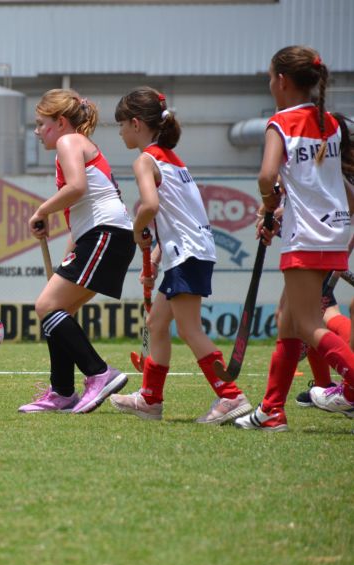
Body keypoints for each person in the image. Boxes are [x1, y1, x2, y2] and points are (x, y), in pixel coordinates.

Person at [107, 87, 252, 423]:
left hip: (187, 254)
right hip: (189, 252)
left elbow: (150, 207)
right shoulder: (173, 160)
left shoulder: (145, 160)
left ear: (135, 124)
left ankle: (230, 396)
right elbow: (178, 217)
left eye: (120, 125)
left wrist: (137, 228)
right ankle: (150, 399)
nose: (119, 132)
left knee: (189, 330)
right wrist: (157, 255)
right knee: (156, 323)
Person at [234, 46, 354, 431]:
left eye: (270, 77)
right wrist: (280, 212)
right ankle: (272, 410)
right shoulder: (332, 124)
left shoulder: (281, 122)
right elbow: (335, 189)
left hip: (309, 236)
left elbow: (266, 176)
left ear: (281, 81)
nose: (270, 84)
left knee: (306, 323)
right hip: (334, 230)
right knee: (288, 321)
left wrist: (269, 206)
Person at [17, 89, 134, 415]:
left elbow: (77, 188)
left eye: (42, 124)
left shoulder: (69, 142)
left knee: (46, 306)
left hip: (106, 234)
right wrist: (68, 257)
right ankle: (62, 392)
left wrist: (41, 211)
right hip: (101, 236)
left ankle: (99, 373)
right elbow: (84, 203)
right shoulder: (75, 145)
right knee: (58, 310)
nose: (38, 131)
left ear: (61, 122)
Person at [306, 112, 354, 416]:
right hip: (330, 246)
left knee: (309, 318)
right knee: (328, 313)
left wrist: (342, 254)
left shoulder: (334, 168)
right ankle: (330, 388)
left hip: (323, 245)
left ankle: (345, 388)